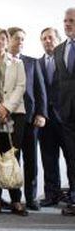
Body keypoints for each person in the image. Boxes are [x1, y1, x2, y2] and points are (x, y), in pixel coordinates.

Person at [8, 27, 47, 210]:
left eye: (23, 38)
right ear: (9, 40)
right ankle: (15, 199)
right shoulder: (0, 61)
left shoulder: (32, 62)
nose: (20, 41)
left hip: (30, 120)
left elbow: (40, 91)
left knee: (31, 160)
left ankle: (31, 198)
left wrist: (41, 113)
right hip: (8, 120)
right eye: (17, 38)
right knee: (12, 159)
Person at [0, 28, 27, 216]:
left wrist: (7, 107)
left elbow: (21, 86)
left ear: (7, 41)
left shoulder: (17, 63)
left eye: (3, 39)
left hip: (15, 114)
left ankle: (16, 200)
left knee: (12, 155)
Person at [38, 27, 71, 207]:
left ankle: (72, 194)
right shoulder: (38, 63)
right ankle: (52, 194)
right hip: (45, 119)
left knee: (71, 157)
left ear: (58, 39)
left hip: (66, 118)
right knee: (48, 158)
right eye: (44, 38)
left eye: (50, 38)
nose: (47, 41)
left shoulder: (66, 61)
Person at [53, 8, 75, 216]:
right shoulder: (59, 49)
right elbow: (58, 82)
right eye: (65, 20)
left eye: (71, 21)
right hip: (67, 114)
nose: (67, 24)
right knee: (71, 157)